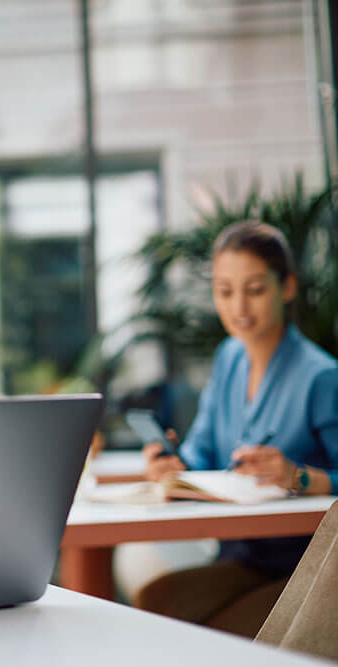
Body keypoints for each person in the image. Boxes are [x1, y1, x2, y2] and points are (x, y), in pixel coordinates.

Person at [137, 220, 338, 637]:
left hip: (307, 568)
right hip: (241, 557)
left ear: (286, 287)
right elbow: (201, 455)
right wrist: (172, 467)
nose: (239, 307)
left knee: (209, 633)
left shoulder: (321, 377)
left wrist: (297, 477)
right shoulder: (229, 358)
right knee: (155, 603)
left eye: (255, 289)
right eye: (225, 291)